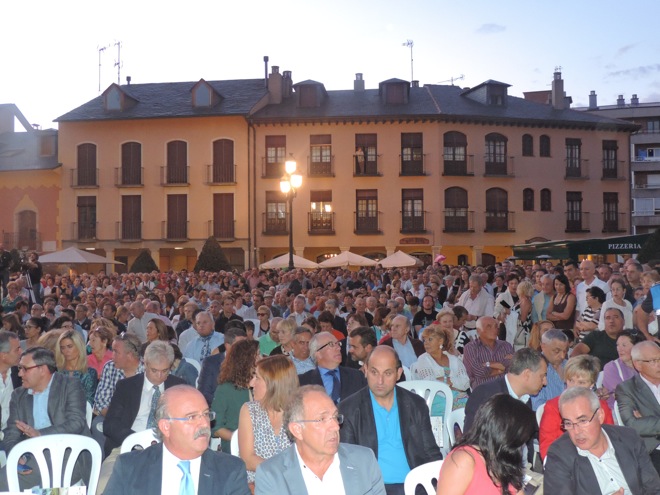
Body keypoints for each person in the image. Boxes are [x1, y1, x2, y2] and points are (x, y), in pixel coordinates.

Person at [105, 385, 250, 495]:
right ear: (166, 426)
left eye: (206, 414)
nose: (204, 424)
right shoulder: (130, 467)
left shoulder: (230, 470)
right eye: (192, 417)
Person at [339, 346, 442, 495]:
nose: (380, 381)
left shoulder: (416, 405)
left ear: (398, 373)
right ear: (365, 370)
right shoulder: (349, 409)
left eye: (387, 373)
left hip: (416, 484)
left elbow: (431, 452)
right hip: (372, 487)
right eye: (374, 372)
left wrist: (436, 485)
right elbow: (347, 462)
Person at [255, 385, 386, 495]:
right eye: (322, 419)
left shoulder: (364, 461)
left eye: (335, 417)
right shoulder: (271, 476)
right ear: (297, 430)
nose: (335, 426)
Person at [0, 347, 91, 491]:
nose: (19, 373)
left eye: (24, 368)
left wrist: (41, 434)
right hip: (31, 457)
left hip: (67, 455)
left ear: (42, 369)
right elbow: (11, 432)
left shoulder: (69, 385)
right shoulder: (19, 395)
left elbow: (76, 423)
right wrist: (16, 456)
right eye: (19, 368)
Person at [544, 387, 660, 494]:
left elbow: (653, 488)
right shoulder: (559, 455)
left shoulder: (629, 438)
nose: (576, 431)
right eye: (568, 423)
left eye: (583, 421)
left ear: (600, 416)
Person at [436, 394, 537, 495]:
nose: (523, 443)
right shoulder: (464, 460)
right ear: (507, 436)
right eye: (521, 438)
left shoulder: (503, 460)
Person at [103, 340, 186, 456]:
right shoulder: (126, 386)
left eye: (165, 371)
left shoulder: (179, 387)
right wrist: (136, 440)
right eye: (154, 370)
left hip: (165, 450)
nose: (159, 376)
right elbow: (110, 424)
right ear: (145, 364)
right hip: (128, 446)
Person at [538, 355, 614, 460]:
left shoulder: (601, 406)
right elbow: (547, 444)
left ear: (592, 384)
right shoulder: (553, 406)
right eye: (571, 380)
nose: (574, 386)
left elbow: (610, 437)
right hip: (567, 460)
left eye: (581, 382)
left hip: (599, 459)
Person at [238, 355, 299, 485]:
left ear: (273, 384)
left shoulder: (300, 412)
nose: (251, 384)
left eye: (257, 378)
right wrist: (281, 475)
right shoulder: (250, 410)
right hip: (257, 484)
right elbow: (247, 459)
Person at [615, 340, 660, 473]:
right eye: (653, 361)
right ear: (638, 364)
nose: (659, 364)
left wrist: (647, 420)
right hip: (652, 452)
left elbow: (641, 424)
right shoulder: (627, 389)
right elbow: (633, 425)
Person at [212, 339, 260, 453]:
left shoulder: (261, 386)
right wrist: (240, 440)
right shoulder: (226, 389)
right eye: (257, 355)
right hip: (235, 446)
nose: (261, 358)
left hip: (261, 444)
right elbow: (217, 428)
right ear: (245, 360)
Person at [411, 324, 469, 413]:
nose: (426, 343)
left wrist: (445, 379)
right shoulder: (423, 359)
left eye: (430, 339)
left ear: (440, 341)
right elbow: (430, 383)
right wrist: (453, 385)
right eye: (424, 340)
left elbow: (465, 383)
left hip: (457, 397)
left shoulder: (454, 359)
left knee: (468, 404)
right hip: (434, 399)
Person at [298, 331, 367, 404]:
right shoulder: (303, 382)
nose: (338, 348)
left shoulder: (357, 376)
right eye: (331, 344)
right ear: (318, 353)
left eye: (338, 344)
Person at [197, 324, 247, 405]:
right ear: (227, 346)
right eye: (240, 345)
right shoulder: (211, 363)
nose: (245, 349)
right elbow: (204, 392)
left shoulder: (248, 362)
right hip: (217, 407)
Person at [463, 316, 514, 390]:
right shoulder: (471, 347)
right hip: (483, 390)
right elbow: (478, 372)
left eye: (496, 326)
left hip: (505, 389)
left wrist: (488, 364)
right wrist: (500, 369)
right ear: (478, 331)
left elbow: (513, 367)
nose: (494, 330)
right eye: (489, 327)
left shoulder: (506, 345)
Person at [601, 329, 643, 408]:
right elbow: (623, 394)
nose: (619, 349)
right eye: (617, 345)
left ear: (637, 346)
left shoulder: (647, 364)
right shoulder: (611, 367)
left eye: (624, 345)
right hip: (619, 413)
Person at [55, 329, 98, 405]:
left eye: (70, 346)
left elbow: (89, 401)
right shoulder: (56, 371)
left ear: (79, 346)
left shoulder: (89, 373)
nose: (66, 351)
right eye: (62, 347)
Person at [530, 328, 569, 410]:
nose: (562, 356)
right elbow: (538, 406)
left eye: (565, 351)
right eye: (556, 351)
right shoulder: (535, 367)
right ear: (543, 346)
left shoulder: (569, 365)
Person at [0, 330, 22, 439]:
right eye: (17, 349)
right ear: (3, 355)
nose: (21, 352)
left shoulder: (20, 374)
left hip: (13, 435)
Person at [547, 273, 577, 340]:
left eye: (561, 284)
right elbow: (548, 315)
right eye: (556, 284)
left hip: (567, 330)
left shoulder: (570, 297)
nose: (558, 287)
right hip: (555, 331)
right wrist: (561, 316)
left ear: (565, 285)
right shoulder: (553, 297)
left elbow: (566, 316)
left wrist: (554, 313)